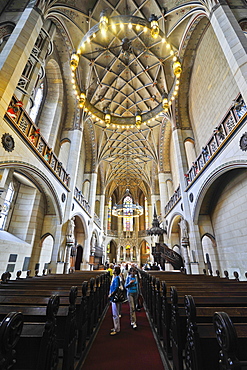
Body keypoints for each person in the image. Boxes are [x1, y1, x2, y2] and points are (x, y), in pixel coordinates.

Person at [108, 266, 121, 335]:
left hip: (114, 297)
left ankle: (116, 329)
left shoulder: (116, 278)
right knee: (115, 313)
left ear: (115, 271)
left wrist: (111, 294)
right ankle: (116, 327)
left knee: (115, 314)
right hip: (114, 297)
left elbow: (116, 288)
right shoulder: (116, 278)